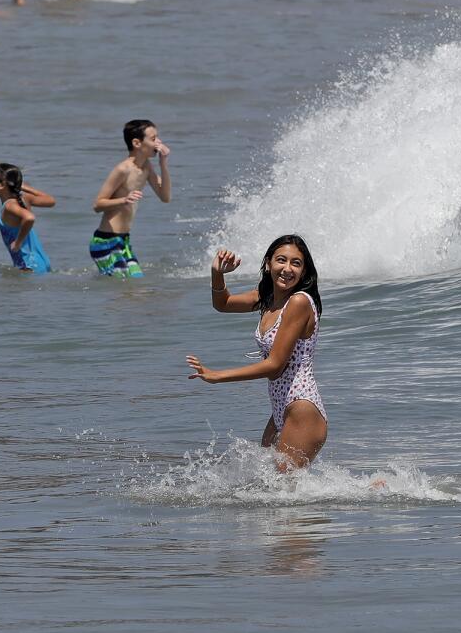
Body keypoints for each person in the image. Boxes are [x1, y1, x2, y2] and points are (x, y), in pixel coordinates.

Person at [186, 236, 327, 471]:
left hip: (302, 408)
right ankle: (372, 490)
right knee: (273, 488)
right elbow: (223, 303)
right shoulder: (268, 297)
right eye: (281, 260)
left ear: (304, 272)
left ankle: (371, 494)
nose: (287, 269)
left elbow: (275, 365)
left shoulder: (299, 302)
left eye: (296, 263)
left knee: (280, 493)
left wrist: (217, 375)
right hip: (281, 409)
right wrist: (217, 272)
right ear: (269, 263)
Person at [89, 119, 171, 278]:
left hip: (123, 241)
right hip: (105, 241)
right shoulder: (123, 169)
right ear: (137, 143)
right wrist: (123, 200)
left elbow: (165, 197)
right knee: (127, 288)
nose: (158, 143)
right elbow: (97, 204)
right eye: (153, 139)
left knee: (137, 282)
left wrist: (163, 163)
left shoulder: (147, 167)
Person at [0, 163, 55, 273]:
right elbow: (51, 201)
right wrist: (24, 187)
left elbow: (29, 218)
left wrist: (18, 242)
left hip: (29, 266)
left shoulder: (9, 206)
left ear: (2, 185)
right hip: (41, 262)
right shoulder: (24, 199)